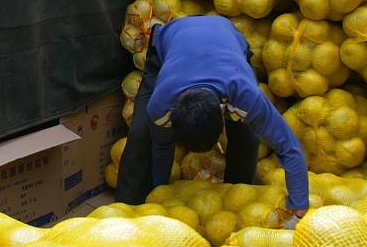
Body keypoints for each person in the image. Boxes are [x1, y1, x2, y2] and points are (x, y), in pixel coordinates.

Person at [117, 15, 309, 225]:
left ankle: (236, 200)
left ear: (222, 110)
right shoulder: (161, 105)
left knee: (247, 137)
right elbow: (162, 147)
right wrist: (160, 197)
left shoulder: (245, 95)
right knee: (140, 133)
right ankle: (127, 209)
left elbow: (288, 146)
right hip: (171, 38)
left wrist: (299, 206)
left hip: (227, 39)